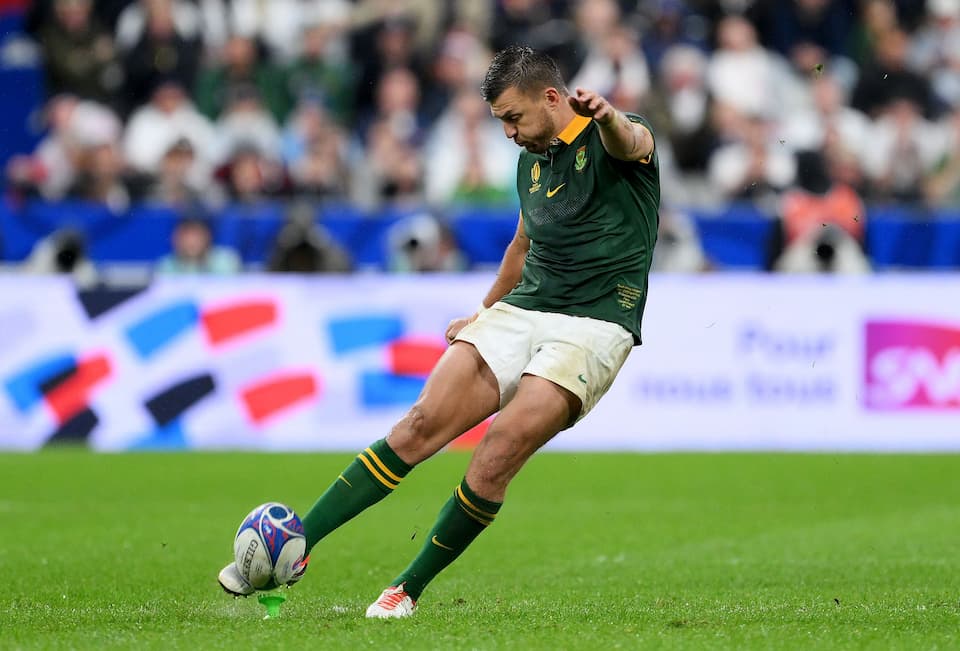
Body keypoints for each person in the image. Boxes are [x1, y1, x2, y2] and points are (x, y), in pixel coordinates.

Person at [217, 45, 660, 618]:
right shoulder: (531, 161)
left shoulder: (618, 137)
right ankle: (297, 550)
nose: (508, 132)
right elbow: (523, 247)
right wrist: (484, 312)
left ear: (552, 98)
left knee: (497, 452)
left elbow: (632, 141)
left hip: (596, 325)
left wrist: (608, 117)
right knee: (419, 426)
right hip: (525, 308)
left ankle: (406, 588)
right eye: (500, 121)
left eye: (513, 117)